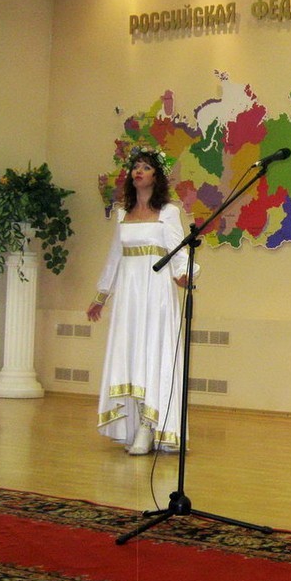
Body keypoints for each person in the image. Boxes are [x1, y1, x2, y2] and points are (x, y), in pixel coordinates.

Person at [87, 146, 194, 456]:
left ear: (156, 176)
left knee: (152, 352)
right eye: (136, 166)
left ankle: (150, 425)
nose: (139, 171)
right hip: (128, 295)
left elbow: (178, 250)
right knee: (130, 353)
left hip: (156, 293)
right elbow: (114, 257)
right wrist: (101, 296)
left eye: (146, 167)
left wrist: (184, 274)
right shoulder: (123, 213)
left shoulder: (168, 212)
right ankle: (133, 424)